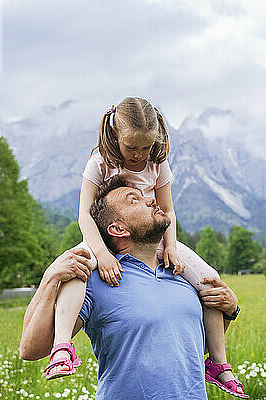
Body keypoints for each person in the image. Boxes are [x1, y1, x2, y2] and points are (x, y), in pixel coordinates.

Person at [48, 97, 248, 398]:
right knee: (78, 270)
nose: (139, 155)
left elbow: (167, 210)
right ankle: (62, 346)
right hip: (103, 235)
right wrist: (101, 255)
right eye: (132, 148)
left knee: (210, 277)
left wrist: (169, 246)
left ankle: (218, 363)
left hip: (152, 234)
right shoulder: (100, 161)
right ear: (117, 135)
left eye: (146, 147)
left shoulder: (157, 162)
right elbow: (84, 215)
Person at [20, 175, 245, 399]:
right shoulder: (95, 280)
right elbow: (31, 350)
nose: (151, 200)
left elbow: (191, 349)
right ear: (118, 229)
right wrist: (50, 279)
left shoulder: (182, 273)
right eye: (134, 200)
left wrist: (230, 310)